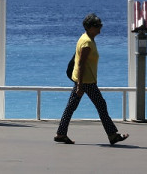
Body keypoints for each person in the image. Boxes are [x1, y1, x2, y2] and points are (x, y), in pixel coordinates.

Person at [54, 13, 129, 145]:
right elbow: (81, 64)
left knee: (71, 106)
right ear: (89, 27)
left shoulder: (86, 38)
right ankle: (112, 135)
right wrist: (80, 85)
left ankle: (61, 133)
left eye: (101, 25)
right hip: (86, 81)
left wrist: (78, 83)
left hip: (83, 80)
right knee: (101, 105)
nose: (100, 28)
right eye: (97, 26)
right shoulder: (87, 42)